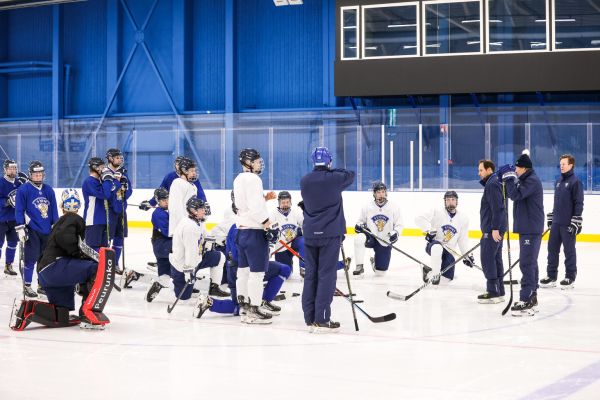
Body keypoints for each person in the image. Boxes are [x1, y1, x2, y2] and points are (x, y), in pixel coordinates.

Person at [10, 189, 114, 331]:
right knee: (95, 269)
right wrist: (81, 256)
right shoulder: (73, 218)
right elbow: (65, 239)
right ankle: (87, 313)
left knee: (61, 313)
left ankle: (27, 310)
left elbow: (63, 240)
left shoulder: (60, 222)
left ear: (61, 206)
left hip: (46, 274)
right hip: (55, 266)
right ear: (79, 206)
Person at [193, 205, 291, 320]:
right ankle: (259, 302)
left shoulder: (241, 224)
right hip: (240, 273)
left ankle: (210, 302)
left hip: (235, 273)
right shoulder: (246, 228)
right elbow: (242, 259)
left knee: (241, 306)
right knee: (242, 307)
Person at [300, 146, 354, 333]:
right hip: (329, 235)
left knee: (311, 275)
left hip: (309, 234)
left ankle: (310, 318)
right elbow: (350, 174)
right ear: (329, 161)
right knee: (326, 276)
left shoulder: (305, 180)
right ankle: (322, 319)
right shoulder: (335, 178)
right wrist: (330, 169)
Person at [233, 148, 279, 324]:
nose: (260, 164)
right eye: (258, 161)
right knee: (257, 274)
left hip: (241, 231)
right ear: (249, 163)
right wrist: (268, 224)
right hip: (254, 233)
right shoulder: (254, 179)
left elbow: (243, 204)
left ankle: (244, 307)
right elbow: (255, 208)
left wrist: (264, 198)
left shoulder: (238, 178)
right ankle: (254, 309)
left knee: (243, 271)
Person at [498, 150, 544, 316]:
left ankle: (526, 298)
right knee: (530, 262)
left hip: (530, 229)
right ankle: (532, 296)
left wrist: (509, 178)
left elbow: (515, 195)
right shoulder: (526, 179)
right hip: (527, 228)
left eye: (517, 168)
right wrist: (506, 179)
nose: (515, 170)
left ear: (524, 168)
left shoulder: (531, 181)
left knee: (526, 263)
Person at [167, 196, 227, 302]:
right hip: (183, 265)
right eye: (201, 209)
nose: (204, 211)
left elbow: (204, 234)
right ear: (193, 211)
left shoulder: (197, 221)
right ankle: (167, 283)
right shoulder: (189, 227)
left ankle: (214, 288)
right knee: (184, 297)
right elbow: (190, 252)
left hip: (196, 259)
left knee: (219, 257)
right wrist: (188, 272)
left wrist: (209, 242)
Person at [15, 161, 59, 298]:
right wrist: (20, 227)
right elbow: (19, 210)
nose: (38, 177)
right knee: (30, 259)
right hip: (32, 229)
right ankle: (27, 286)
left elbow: (54, 209)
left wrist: (56, 225)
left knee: (45, 259)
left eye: (40, 174)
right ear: (30, 175)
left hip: (47, 231)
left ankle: (41, 285)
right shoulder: (24, 190)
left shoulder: (48, 190)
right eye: (36, 175)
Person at [541, 154, 583, 289]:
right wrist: (552, 216)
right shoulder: (558, 182)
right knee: (552, 250)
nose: (562, 166)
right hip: (556, 223)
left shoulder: (575, 182)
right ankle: (551, 276)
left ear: (571, 165)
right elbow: (557, 202)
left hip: (567, 224)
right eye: (560, 164)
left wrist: (576, 220)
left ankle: (570, 277)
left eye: (564, 164)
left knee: (569, 251)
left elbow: (578, 203)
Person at [415, 191, 473, 285]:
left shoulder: (463, 218)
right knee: (437, 247)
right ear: (444, 202)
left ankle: (428, 273)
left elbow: (463, 240)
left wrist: (467, 256)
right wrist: (428, 230)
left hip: (449, 251)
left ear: (457, 201)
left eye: (453, 200)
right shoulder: (437, 211)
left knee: (445, 280)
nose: (450, 202)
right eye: (448, 200)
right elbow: (419, 219)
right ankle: (436, 275)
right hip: (434, 245)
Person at [353, 181, 403, 277]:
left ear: (386, 193)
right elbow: (360, 221)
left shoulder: (394, 207)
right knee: (359, 238)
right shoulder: (367, 207)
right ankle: (359, 266)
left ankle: (374, 263)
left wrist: (396, 232)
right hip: (370, 237)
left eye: (383, 192)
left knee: (380, 273)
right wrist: (358, 226)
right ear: (374, 194)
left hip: (384, 239)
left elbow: (399, 224)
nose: (381, 194)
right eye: (378, 192)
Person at [477, 159, 506, 303]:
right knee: (496, 259)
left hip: (491, 230)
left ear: (489, 170)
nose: (479, 173)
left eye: (481, 170)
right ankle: (499, 291)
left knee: (487, 259)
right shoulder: (494, 182)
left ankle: (492, 291)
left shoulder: (492, 184)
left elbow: (497, 208)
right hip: (495, 228)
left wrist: (495, 228)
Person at [102, 148, 132, 273]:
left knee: (120, 237)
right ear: (110, 158)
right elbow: (106, 192)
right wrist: (116, 186)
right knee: (107, 238)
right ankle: (105, 265)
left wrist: (124, 192)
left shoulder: (123, 172)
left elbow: (129, 190)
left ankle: (115, 263)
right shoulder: (105, 173)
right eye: (117, 157)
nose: (120, 160)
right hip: (109, 210)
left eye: (120, 157)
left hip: (121, 210)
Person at [138, 156, 207, 210]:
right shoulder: (170, 177)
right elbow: (161, 192)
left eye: (180, 164)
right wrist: (151, 203)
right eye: (177, 164)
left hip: (189, 208)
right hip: (176, 208)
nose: (178, 166)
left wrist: (204, 203)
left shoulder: (191, 176)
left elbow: (199, 191)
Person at [145, 187, 173, 302]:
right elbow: (168, 232)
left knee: (165, 275)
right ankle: (185, 283)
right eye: (163, 200)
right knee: (182, 252)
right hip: (162, 245)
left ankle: (159, 284)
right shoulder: (158, 214)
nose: (166, 202)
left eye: (167, 199)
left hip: (162, 245)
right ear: (157, 201)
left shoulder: (169, 210)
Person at [269, 190, 305, 277]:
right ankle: (289, 262)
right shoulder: (273, 215)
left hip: (294, 243)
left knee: (303, 241)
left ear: (290, 202)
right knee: (286, 274)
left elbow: (305, 225)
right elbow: (269, 232)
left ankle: (304, 267)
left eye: (287, 202)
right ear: (279, 203)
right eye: (283, 202)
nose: (285, 204)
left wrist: (302, 231)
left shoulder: (296, 213)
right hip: (281, 247)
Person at [0, 159, 25, 277]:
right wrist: (7, 202)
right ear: (5, 170)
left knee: (12, 243)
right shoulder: (1, 182)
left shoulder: (19, 183)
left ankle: (8, 265)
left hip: (14, 219)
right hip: (1, 219)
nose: (13, 170)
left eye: (14, 168)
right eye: (10, 168)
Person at [82, 157, 109, 252]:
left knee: (103, 249)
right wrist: (107, 180)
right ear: (95, 167)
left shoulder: (99, 181)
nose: (104, 169)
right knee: (92, 249)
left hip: (102, 220)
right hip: (93, 220)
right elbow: (105, 194)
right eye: (101, 167)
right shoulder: (89, 181)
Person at [168, 157, 200, 237]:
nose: (194, 173)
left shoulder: (193, 186)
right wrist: (183, 225)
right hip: (180, 229)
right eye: (191, 171)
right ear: (184, 171)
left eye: (195, 171)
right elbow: (175, 207)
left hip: (189, 227)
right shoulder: (177, 183)